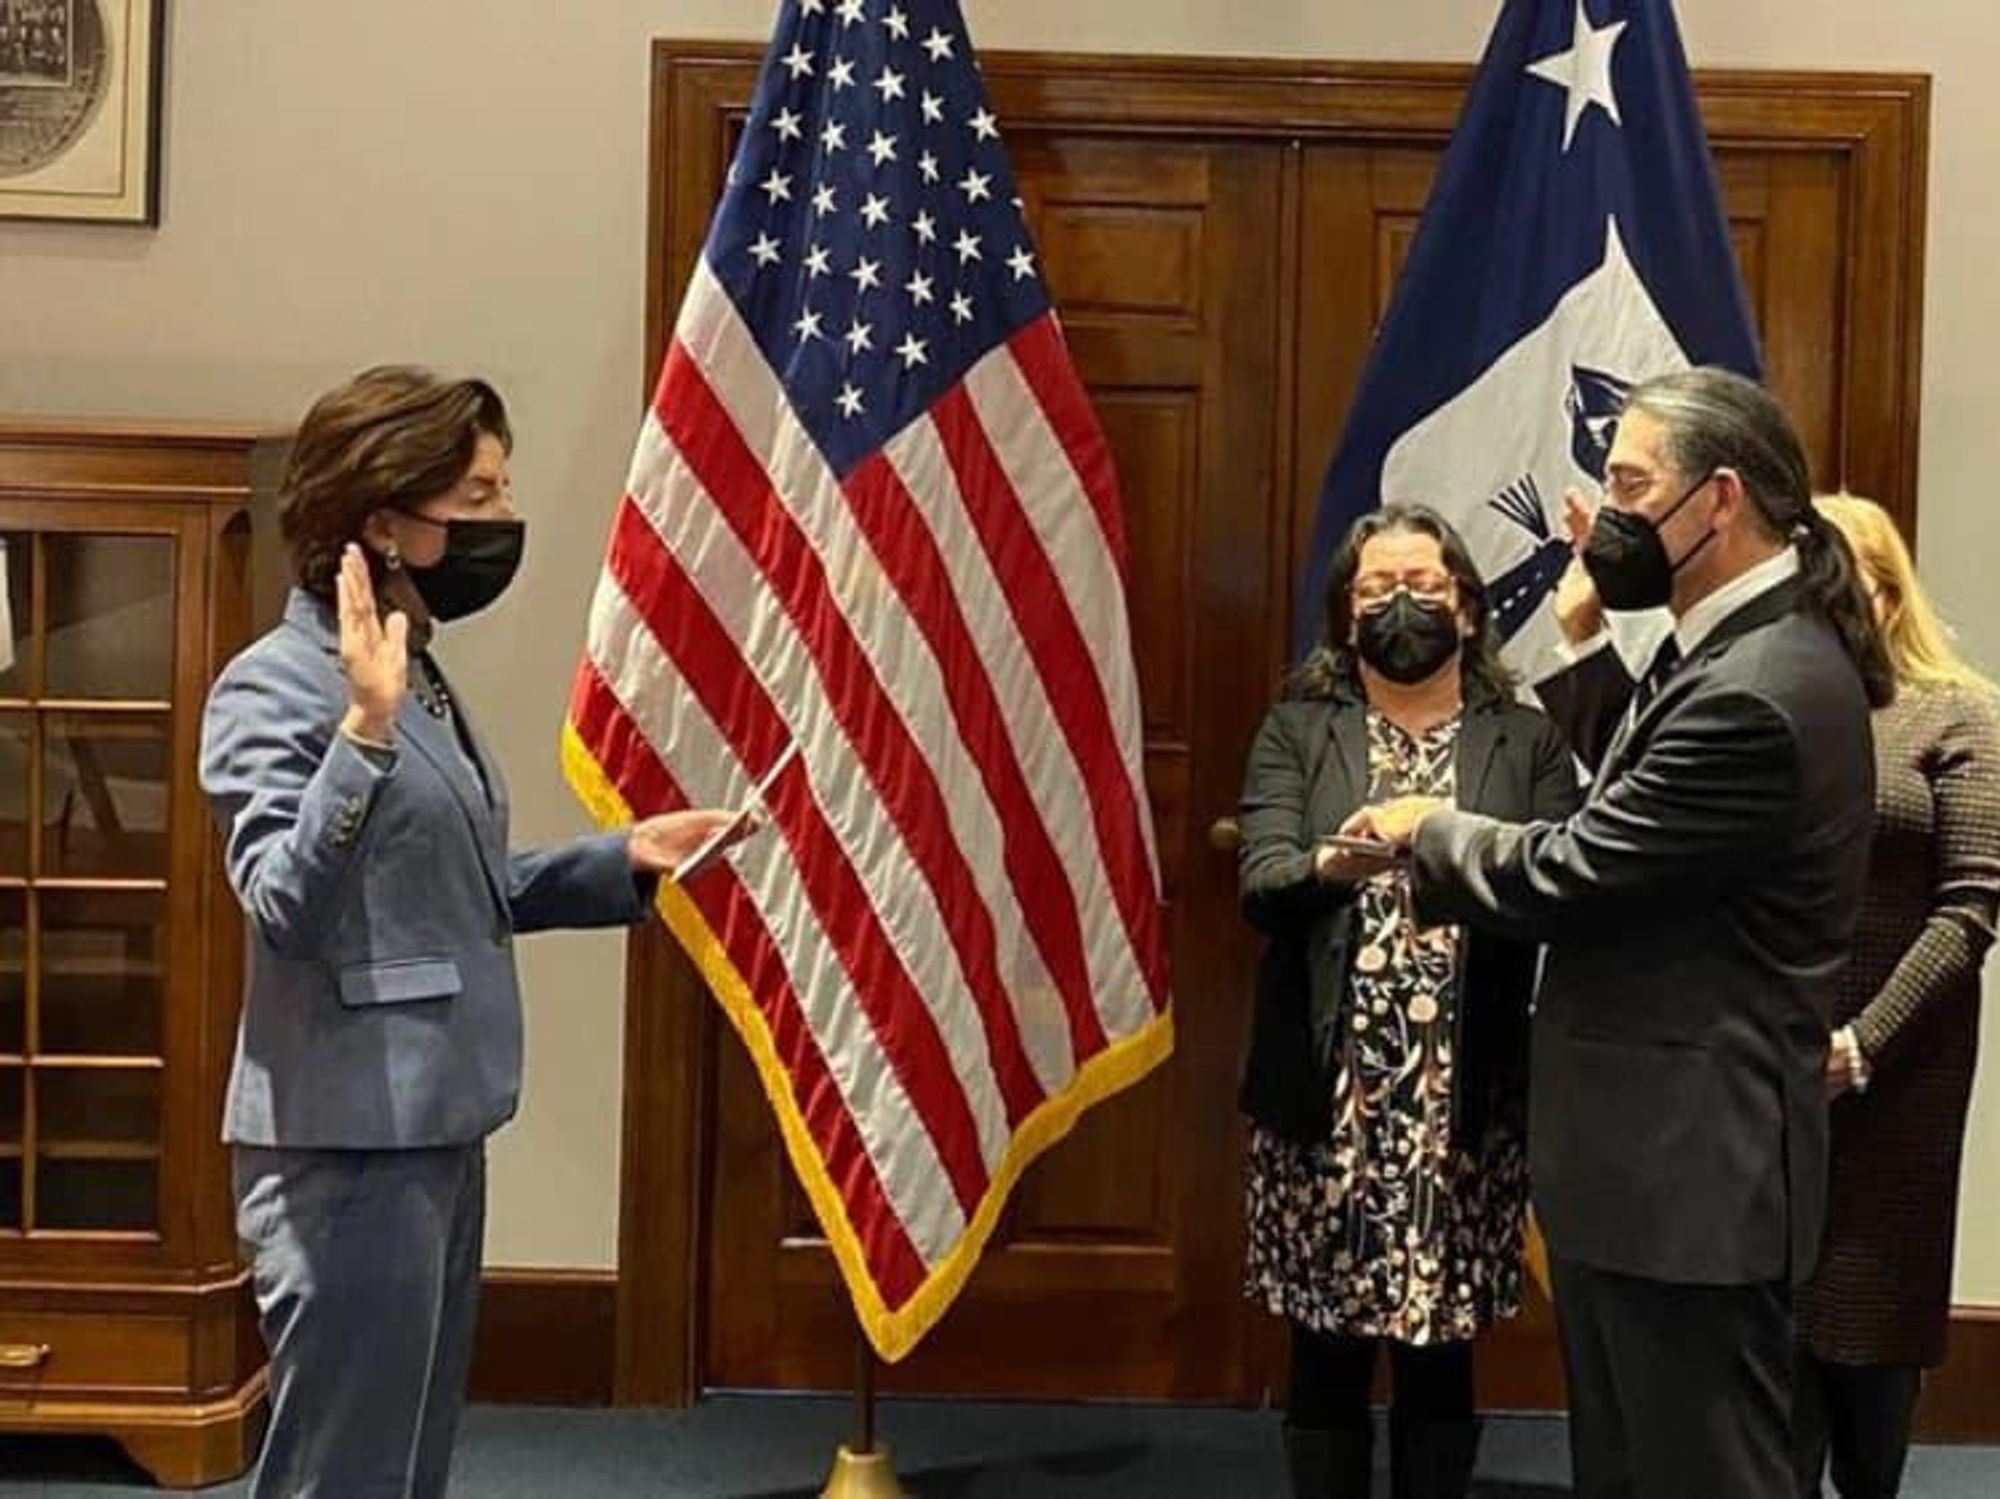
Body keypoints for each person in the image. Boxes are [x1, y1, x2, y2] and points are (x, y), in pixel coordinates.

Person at [1344, 368, 1894, 1499]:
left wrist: (1428, 828)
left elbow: (1582, 865)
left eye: (1631, 479)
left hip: (1687, 1177)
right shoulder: (1731, 651)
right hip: (1649, 1171)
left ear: (1718, 499)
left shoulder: (1757, 685)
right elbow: (1636, 799)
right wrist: (1582, 635)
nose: (1604, 506)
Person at [200, 367, 748, 1499]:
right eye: (478, 500)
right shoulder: (277, 688)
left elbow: (440, 887)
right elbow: (284, 905)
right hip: (347, 1142)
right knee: (346, 1467)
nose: (505, 524)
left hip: (436, 1121)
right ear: (381, 520)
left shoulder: (413, 674)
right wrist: (362, 730)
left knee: (406, 1461)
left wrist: (620, 857)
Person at [1236, 504, 1580, 1498]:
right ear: (1346, 619)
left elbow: (1557, 879)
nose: (1400, 606)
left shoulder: (1523, 740)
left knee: (1439, 1351)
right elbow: (1261, 883)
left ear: (1466, 610)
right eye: (1376, 589)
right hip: (1326, 1104)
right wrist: (1337, 860)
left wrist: (1448, 840)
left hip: (1458, 1104)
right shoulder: (1299, 730)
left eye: (1423, 587)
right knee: (1325, 1348)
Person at [1792, 493, 2000, 1499]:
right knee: (1770, 1360)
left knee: (1867, 1356)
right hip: (1773, 1070)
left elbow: (1967, 910)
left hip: (1897, 1074)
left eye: (1845, 586)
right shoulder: (1772, 705)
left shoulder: (1956, 707)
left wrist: (1859, 1044)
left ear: (1887, 591)